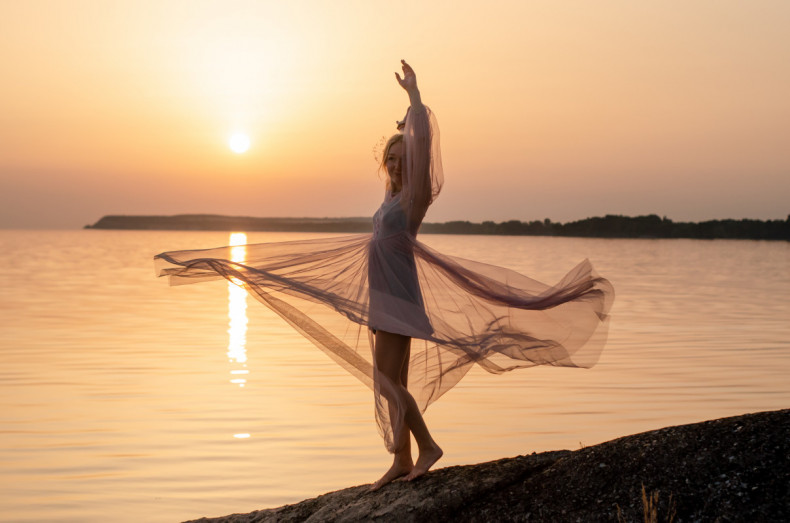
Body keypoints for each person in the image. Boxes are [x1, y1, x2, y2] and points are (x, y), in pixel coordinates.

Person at [155, 60, 614, 491]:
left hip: (401, 298)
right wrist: (400, 131)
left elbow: (424, 150)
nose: (395, 165)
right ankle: (402, 459)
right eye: (390, 160)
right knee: (389, 380)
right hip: (381, 298)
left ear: (413, 165)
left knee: (384, 382)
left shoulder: (415, 200)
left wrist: (414, 101)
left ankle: (427, 447)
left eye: (402, 159)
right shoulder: (389, 199)